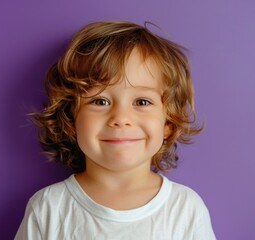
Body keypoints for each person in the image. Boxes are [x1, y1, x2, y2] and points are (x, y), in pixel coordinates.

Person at [15, 20, 216, 240]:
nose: (121, 119)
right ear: (71, 120)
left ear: (168, 123)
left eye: (141, 102)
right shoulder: (47, 208)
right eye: (100, 101)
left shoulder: (186, 209)